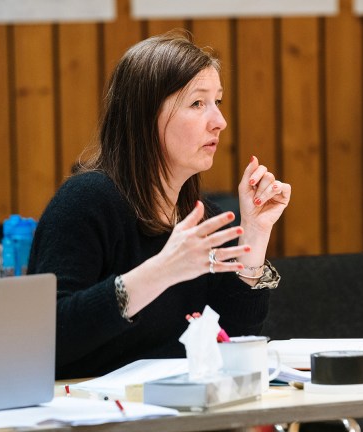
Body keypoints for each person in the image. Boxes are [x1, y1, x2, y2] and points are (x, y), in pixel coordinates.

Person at [28, 30, 291, 380]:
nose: (219, 121)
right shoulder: (86, 201)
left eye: (218, 102)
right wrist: (162, 270)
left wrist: (255, 236)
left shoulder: (198, 218)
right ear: (146, 116)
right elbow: (46, 337)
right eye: (198, 103)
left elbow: (233, 341)